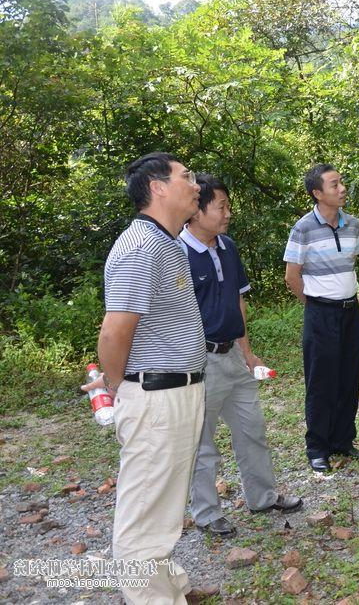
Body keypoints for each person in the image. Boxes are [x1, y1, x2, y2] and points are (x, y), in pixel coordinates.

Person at [80, 152, 206, 604]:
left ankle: (170, 587)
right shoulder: (140, 247)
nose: (195, 184)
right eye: (186, 176)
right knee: (145, 510)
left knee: (165, 502)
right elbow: (115, 331)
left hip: (179, 390)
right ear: (158, 187)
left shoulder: (168, 242)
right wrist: (120, 387)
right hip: (155, 395)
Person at [181, 175, 302, 537]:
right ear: (197, 211)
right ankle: (206, 512)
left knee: (252, 429)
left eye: (228, 206)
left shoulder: (227, 247)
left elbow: (237, 299)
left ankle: (263, 496)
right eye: (221, 206)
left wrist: (247, 352)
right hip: (199, 361)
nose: (228, 213)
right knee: (202, 442)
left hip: (233, 354)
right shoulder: (175, 252)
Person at [284, 164, 359, 472]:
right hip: (321, 313)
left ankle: (343, 441)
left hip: (350, 310)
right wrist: (317, 303)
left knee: (349, 377)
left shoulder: (353, 225)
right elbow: (292, 276)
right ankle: (317, 447)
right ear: (317, 193)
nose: (342, 188)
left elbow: (350, 263)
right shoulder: (303, 228)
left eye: (341, 182)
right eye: (334, 185)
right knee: (321, 382)